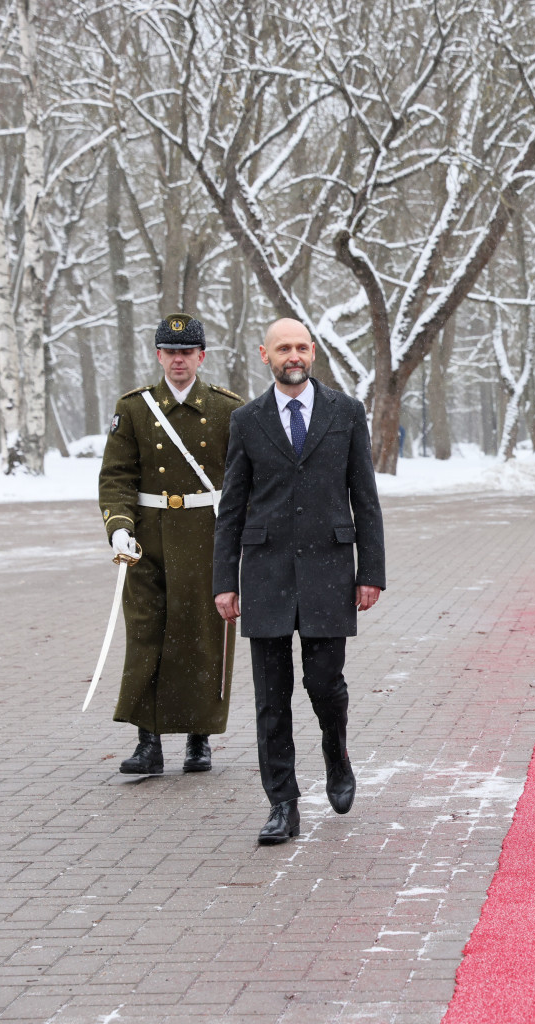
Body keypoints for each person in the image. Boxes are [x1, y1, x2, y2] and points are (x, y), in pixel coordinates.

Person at [213, 318, 386, 846]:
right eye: (282, 347)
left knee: (324, 685)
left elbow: (365, 497)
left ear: (312, 353)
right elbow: (232, 507)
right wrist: (225, 581)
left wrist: (371, 572)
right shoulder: (247, 420)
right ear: (265, 354)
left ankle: (337, 756)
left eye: (301, 347)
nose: (293, 355)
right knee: (271, 696)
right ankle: (282, 803)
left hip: (330, 568)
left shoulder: (346, 412)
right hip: (264, 571)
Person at [98, 314, 244, 775]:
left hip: (207, 536)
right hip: (147, 540)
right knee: (147, 634)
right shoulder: (136, 408)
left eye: (187, 352)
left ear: (201, 356)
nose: (178, 360)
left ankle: (199, 739)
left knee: (202, 635)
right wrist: (119, 526)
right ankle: (148, 742)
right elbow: (117, 475)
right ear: (159, 355)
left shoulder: (228, 410)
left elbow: (243, 480)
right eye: (170, 351)